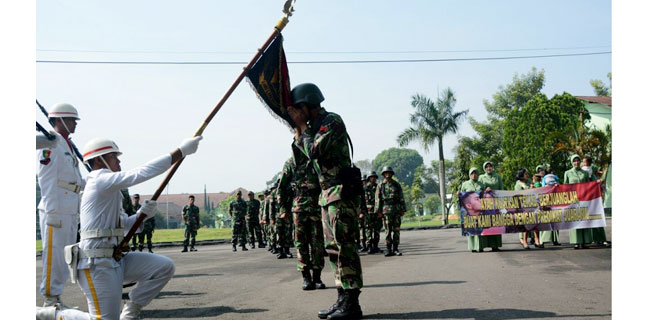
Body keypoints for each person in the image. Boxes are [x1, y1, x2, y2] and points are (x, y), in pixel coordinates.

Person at [35, 135, 202, 320]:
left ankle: (130, 312)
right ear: (100, 159)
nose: (119, 160)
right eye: (114, 156)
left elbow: (124, 227)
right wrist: (180, 152)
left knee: (164, 267)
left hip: (114, 259)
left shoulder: (111, 190)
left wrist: (141, 215)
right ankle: (50, 315)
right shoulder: (100, 180)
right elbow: (140, 173)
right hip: (95, 264)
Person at [287, 83, 363, 319]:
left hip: (341, 193)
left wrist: (302, 128)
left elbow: (314, 151)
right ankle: (342, 299)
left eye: (298, 109)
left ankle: (352, 304)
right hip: (327, 196)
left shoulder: (331, 122)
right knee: (333, 250)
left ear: (307, 105)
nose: (297, 115)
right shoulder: (313, 128)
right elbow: (300, 162)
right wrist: (300, 132)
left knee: (345, 248)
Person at [37, 102, 85, 309]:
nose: (75, 123)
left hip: (69, 207)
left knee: (64, 255)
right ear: (60, 120)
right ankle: (50, 299)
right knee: (54, 255)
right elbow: (45, 177)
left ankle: (56, 297)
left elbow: (74, 179)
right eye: (72, 119)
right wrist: (52, 209)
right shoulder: (51, 142)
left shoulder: (65, 144)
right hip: (56, 207)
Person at [285, 139, 326, 290]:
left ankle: (317, 277)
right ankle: (306, 278)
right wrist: (283, 209)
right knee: (301, 244)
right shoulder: (290, 164)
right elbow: (282, 187)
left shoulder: (316, 162)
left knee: (317, 244)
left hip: (316, 208)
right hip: (299, 209)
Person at [375, 166, 406, 257]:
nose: (388, 175)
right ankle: (389, 249)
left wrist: (403, 209)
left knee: (396, 230)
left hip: (396, 209)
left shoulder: (396, 184)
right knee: (387, 231)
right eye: (386, 173)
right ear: (384, 174)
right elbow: (378, 199)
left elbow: (401, 197)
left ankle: (395, 248)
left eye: (389, 173)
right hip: (386, 210)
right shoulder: (381, 185)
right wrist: (378, 211)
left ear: (391, 174)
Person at [459, 167, 487, 252]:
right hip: (469, 210)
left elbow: (484, 194)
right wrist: (458, 194)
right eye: (472, 173)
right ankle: (473, 247)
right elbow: (462, 196)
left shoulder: (481, 184)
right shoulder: (465, 184)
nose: (474, 175)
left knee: (480, 227)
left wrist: (487, 190)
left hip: (479, 209)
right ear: (469, 175)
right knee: (470, 228)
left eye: (475, 173)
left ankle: (480, 247)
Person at [477, 161, 503, 252]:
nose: (489, 168)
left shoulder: (497, 176)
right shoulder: (481, 177)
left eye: (490, 166)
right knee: (486, 223)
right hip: (485, 203)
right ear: (484, 168)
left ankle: (495, 245)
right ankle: (483, 245)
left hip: (495, 203)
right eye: (487, 167)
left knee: (496, 223)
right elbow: (478, 190)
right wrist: (485, 190)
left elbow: (501, 189)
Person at [514, 169, 542, 249]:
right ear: (521, 175)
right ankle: (525, 241)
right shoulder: (518, 184)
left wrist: (534, 187)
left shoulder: (530, 181)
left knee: (536, 222)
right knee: (526, 223)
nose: (527, 175)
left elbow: (536, 188)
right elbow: (519, 194)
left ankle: (537, 240)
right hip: (524, 206)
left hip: (533, 204)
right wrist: (529, 189)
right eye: (525, 174)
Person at [276, 160, 295, 259]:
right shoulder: (277, 193)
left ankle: (287, 251)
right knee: (279, 233)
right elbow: (273, 207)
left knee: (287, 232)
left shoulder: (290, 189)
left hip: (288, 213)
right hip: (279, 215)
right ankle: (280, 251)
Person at [364, 171, 382, 254]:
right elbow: (361, 201)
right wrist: (361, 212)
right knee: (368, 230)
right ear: (369, 178)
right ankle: (369, 247)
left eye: (374, 177)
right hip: (367, 212)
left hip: (377, 212)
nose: (373, 178)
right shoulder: (364, 188)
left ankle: (376, 246)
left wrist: (380, 211)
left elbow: (381, 200)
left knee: (377, 230)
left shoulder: (379, 187)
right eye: (371, 177)